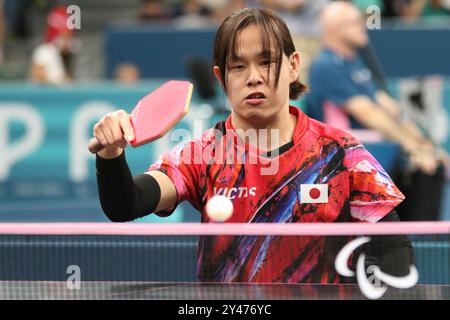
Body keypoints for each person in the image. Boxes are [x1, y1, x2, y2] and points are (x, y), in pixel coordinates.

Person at [93, 8, 413, 283]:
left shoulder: (341, 152)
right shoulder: (201, 155)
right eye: (238, 66)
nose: (254, 77)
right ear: (222, 78)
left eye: (266, 62)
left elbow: (393, 247)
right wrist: (111, 155)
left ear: (293, 66)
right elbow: (125, 205)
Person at [306, 1, 448, 221]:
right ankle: (414, 240)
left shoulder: (355, 63)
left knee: (432, 164)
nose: (363, 26)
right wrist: (413, 148)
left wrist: (426, 146)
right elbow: (370, 114)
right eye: (355, 23)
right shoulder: (326, 65)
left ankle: (420, 242)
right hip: (345, 152)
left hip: (373, 149)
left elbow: (391, 112)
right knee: (424, 169)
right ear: (335, 29)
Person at [30, 6, 76, 85]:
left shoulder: (68, 55)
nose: (67, 41)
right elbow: (38, 77)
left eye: (68, 36)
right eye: (64, 36)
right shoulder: (44, 51)